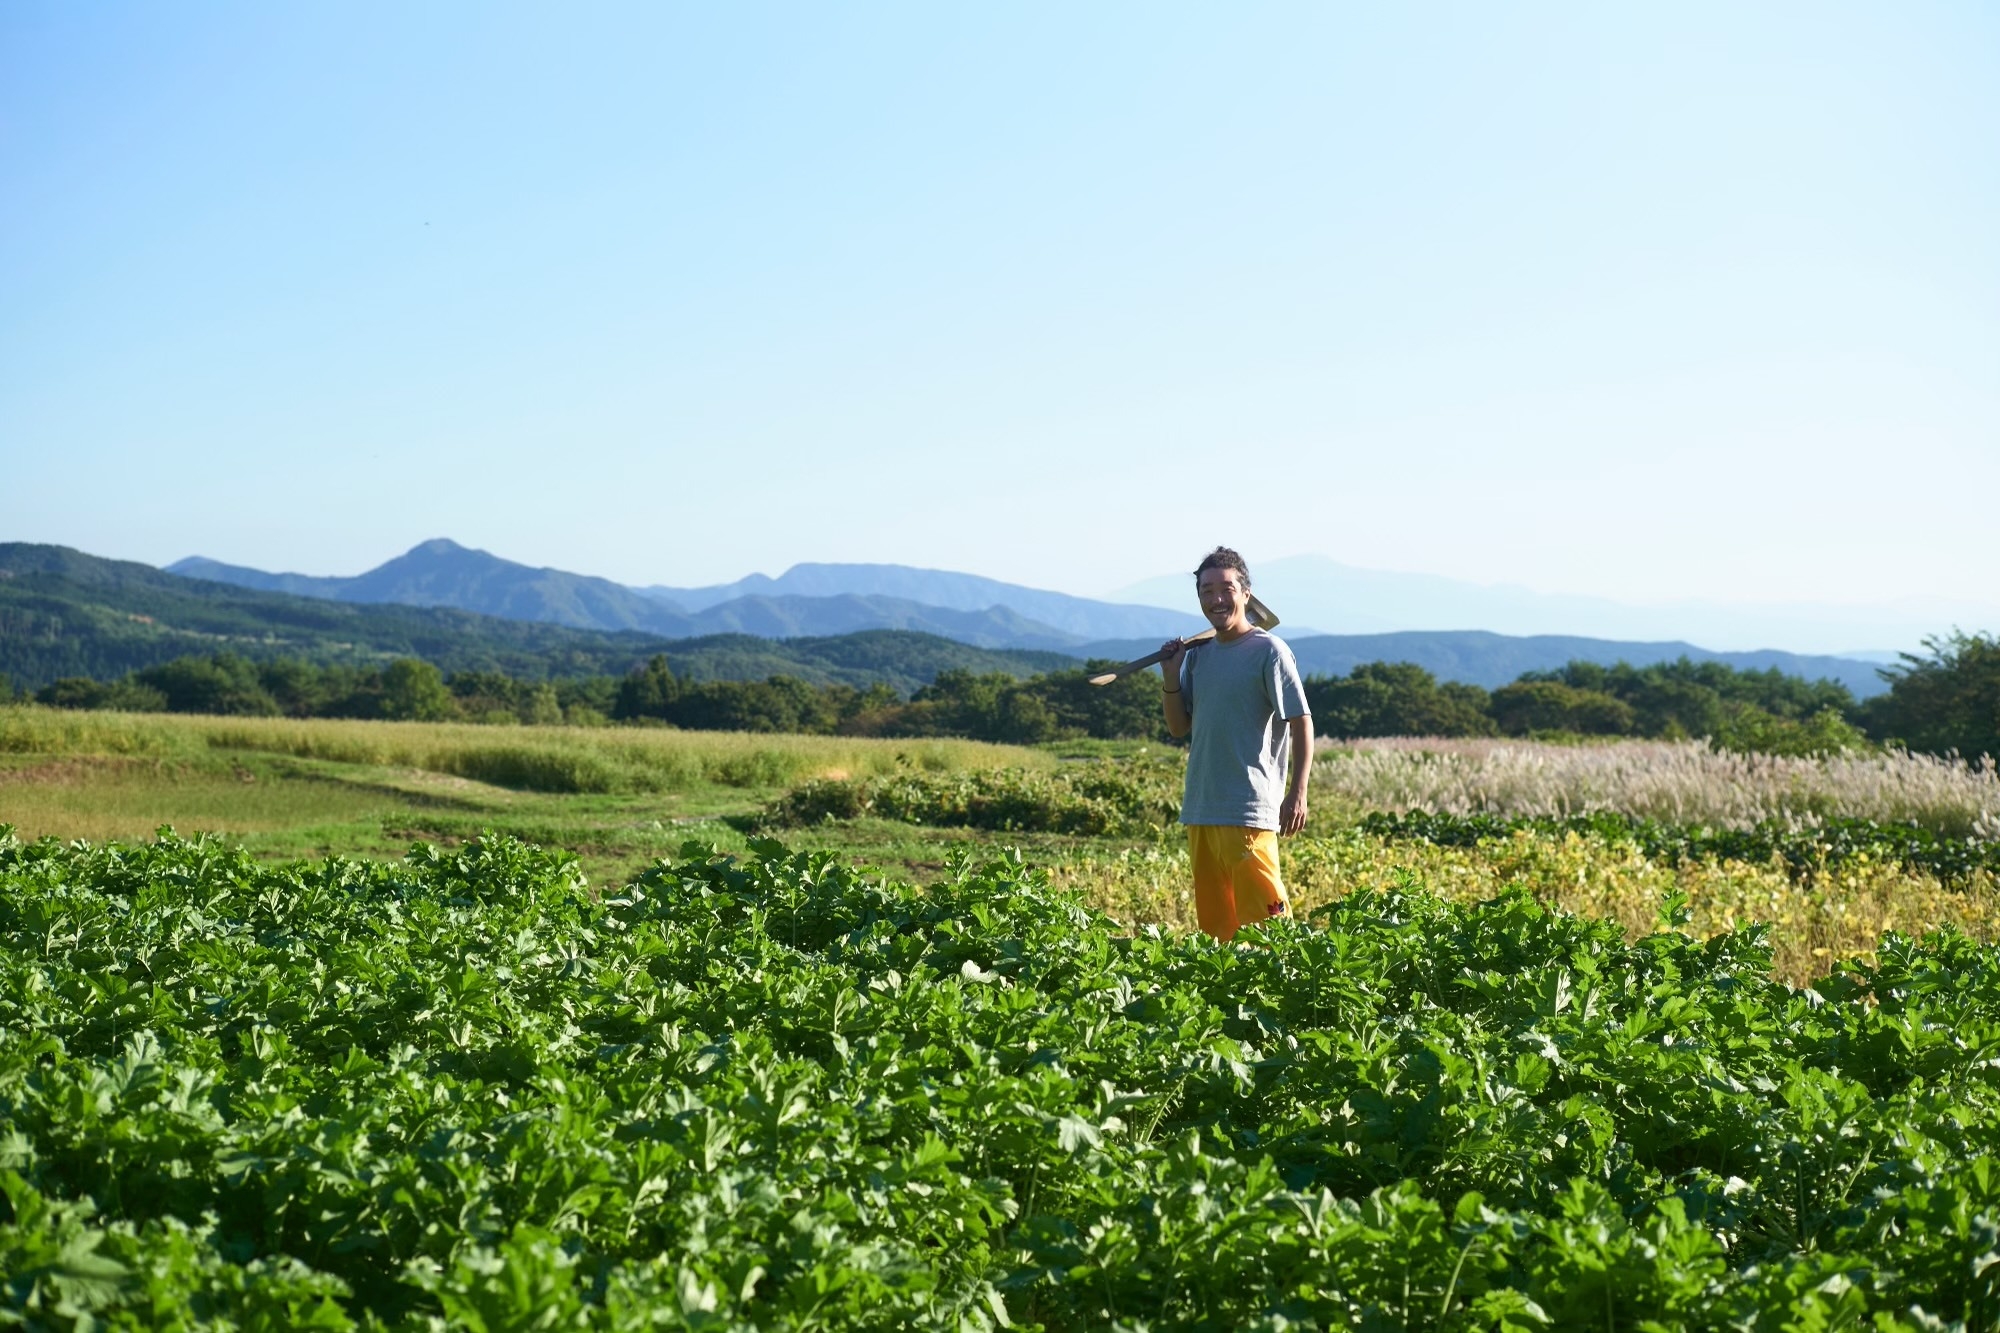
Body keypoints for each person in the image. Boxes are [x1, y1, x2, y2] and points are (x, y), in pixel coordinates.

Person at [1158, 547, 1312, 942]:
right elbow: (1178, 727)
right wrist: (1171, 676)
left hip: (1248, 809)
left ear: (1246, 594)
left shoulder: (1269, 652)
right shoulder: (1199, 657)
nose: (1216, 599)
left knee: (1268, 926)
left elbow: (1301, 720)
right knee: (1216, 933)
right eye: (1206, 591)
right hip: (1201, 807)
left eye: (1226, 589)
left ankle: (1288, 981)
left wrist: (1297, 793)